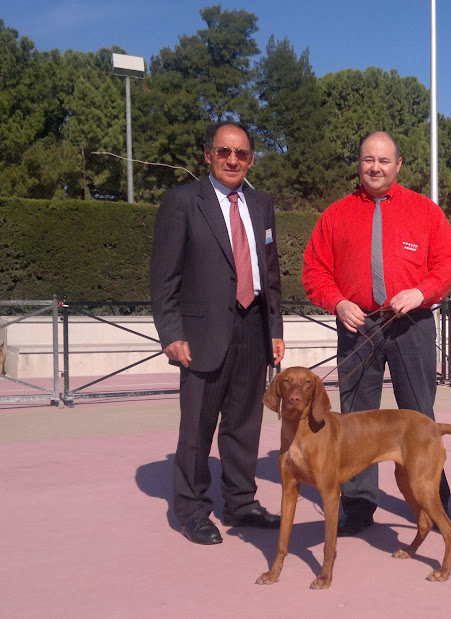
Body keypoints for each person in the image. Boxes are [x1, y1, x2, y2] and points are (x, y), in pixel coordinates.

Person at [302, 131, 451, 536]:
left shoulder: (425, 211)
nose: (375, 167)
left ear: (399, 165)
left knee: (419, 416)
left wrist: (422, 291)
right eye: (368, 159)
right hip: (357, 326)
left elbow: (447, 265)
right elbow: (314, 271)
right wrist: (337, 301)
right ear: (359, 163)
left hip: (411, 324)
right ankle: (358, 504)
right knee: (354, 421)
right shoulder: (335, 214)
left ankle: (436, 499)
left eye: (384, 161)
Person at [150, 121, 285, 545]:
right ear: (208, 154)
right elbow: (163, 275)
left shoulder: (262, 203)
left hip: (254, 327)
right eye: (224, 151)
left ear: (251, 159)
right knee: (197, 428)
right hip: (201, 334)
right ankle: (192, 509)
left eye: (241, 153)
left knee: (245, 425)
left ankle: (241, 502)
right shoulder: (182, 201)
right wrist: (171, 332)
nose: (233, 160)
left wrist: (275, 329)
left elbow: (271, 271)